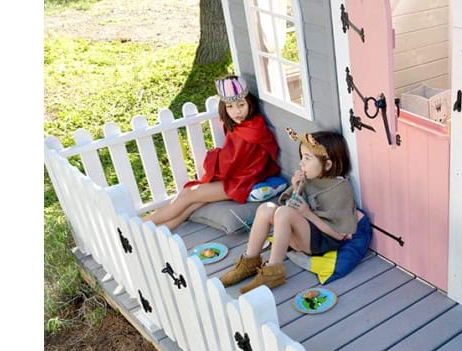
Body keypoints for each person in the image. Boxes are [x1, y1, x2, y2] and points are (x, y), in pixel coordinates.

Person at [221, 129, 358, 294]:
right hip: (302, 235)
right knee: (266, 208)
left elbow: (339, 235)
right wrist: (296, 188)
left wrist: (307, 214)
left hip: (321, 241)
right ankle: (249, 262)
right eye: (302, 157)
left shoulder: (340, 188)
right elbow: (292, 206)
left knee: (283, 213)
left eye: (307, 158)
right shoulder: (309, 178)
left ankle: (273, 271)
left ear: (328, 164)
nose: (302, 163)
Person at [144, 75, 280, 230]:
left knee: (188, 194)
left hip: (242, 181)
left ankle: (140, 225)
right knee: (192, 205)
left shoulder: (251, 130)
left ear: (249, 103)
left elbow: (232, 164)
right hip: (241, 177)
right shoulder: (243, 126)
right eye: (230, 106)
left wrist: (213, 160)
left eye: (241, 105)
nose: (236, 111)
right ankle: (150, 233)